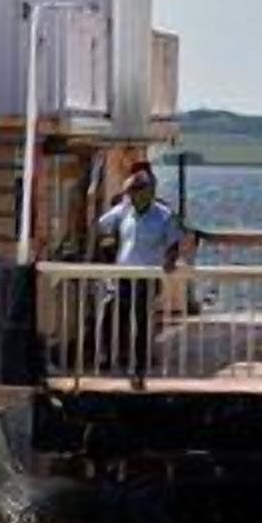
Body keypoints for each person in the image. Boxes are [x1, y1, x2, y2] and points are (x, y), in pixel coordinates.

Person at [94, 161, 184, 380]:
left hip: (147, 276)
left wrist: (170, 260)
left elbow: (174, 243)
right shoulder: (124, 210)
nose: (132, 197)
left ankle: (140, 366)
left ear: (148, 192)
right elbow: (101, 225)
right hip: (123, 274)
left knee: (141, 321)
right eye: (129, 193)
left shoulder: (164, 216)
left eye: (135, 192)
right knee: (111, 315)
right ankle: (107, 356)